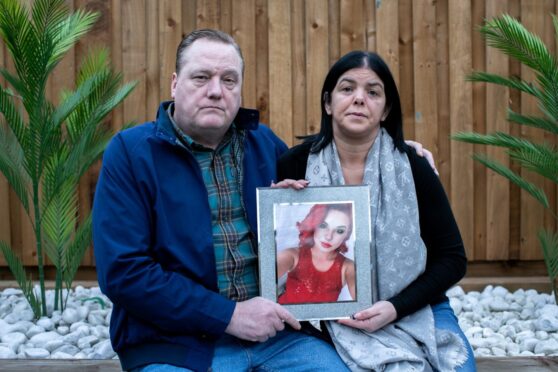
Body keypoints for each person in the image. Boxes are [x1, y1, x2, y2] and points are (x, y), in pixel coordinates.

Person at [92, 29, 352, 372]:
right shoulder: (130, 153)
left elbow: (338, 174)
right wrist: (230, 316)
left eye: (229, 80)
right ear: (174, 84)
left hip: (276, 339)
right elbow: (124, 273)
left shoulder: (264, 144)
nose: (216, 90)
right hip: (173, 345)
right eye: (201, 77)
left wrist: (402, 154)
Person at [276, 51, 477, 371]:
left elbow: (452, 258)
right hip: (327, 314)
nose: (359, 99)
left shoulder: (413, 167)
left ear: (386, 110)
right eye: (347, 88)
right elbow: (278, 256)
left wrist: (395, 308)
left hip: (416, 307)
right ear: (328, 103)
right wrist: (280, 212)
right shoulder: (294, 165)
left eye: (372, 92)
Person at [277, 203, 356, 304]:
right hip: (282, 318)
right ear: (313, 224)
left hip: (324, 319)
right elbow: (267, 278)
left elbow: (363, 304)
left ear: (346, 235)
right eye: (323, 225)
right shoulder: (292, 255)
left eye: (339, 230)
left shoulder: (348, 267)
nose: (329, 236)